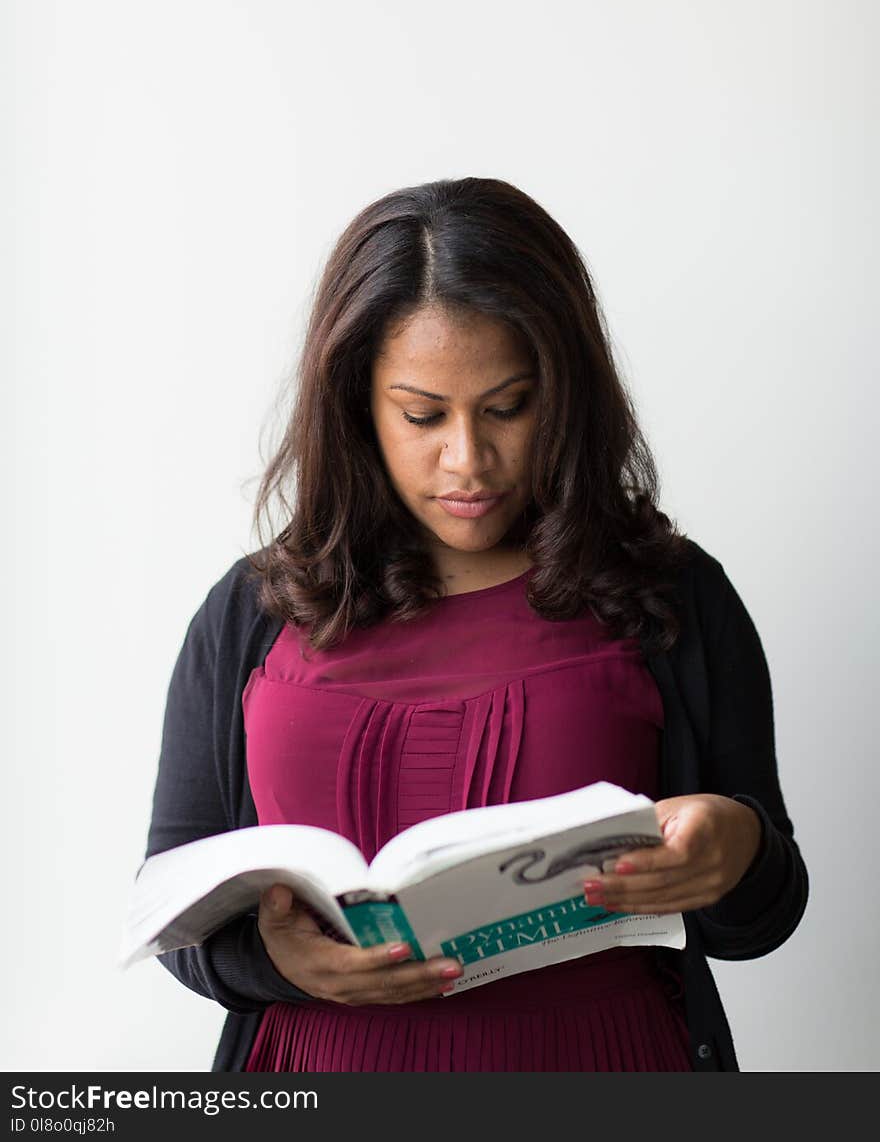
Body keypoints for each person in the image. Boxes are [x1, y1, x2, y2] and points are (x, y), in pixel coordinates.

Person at [142, 176, 808, 1072]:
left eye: (507, 408)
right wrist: (273, 961)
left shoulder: (671, 595)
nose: (468, 459)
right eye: (422, 415)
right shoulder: (251, 614)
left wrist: (738, 849)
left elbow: (761, 915)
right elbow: (171, 904)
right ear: (357, 407)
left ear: (565, 393)